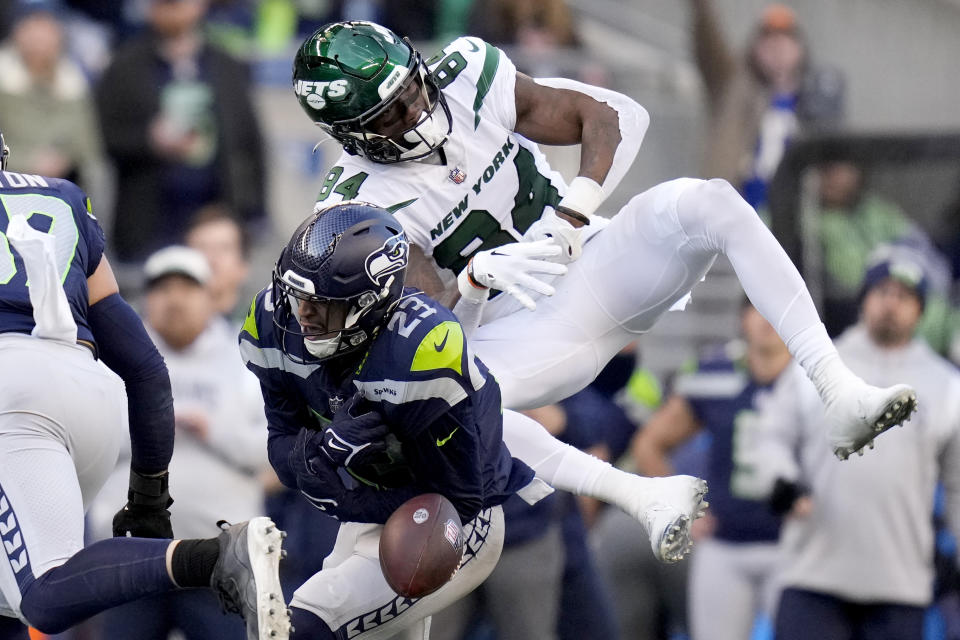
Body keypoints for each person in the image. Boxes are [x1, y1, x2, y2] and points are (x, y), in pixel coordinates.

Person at [289, 20, 915, 555]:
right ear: (351, 135)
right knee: (447, 398)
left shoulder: (466, 72)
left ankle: (839, 390)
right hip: (523, 329)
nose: (418, 112)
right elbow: (428, 332)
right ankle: (642, 494)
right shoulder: (359, 204)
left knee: (711, 204)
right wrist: (477, 281)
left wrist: (576, 208)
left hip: (595, 258)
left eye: (413, 90)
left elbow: (613, 116)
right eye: (392, 114)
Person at [0, 130, 288, 640]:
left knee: (41, 597)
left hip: (15, 400)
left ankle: (215, 557)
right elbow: (147, 371)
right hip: (88, 390)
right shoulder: (60, 197)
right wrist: (150, 500)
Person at [239, 201, 543, 638]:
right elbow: (282, 444)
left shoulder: (421, 350)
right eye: (296, 294)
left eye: (319, 303)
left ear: (367, 305)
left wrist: (336, 483)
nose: (301, 313)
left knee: (295, 627)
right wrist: (322, 455)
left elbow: (460, 496)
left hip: (446, 522)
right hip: (367, 511)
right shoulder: (273, 321)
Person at [742, 249, 960, 640]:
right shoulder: (820, 364)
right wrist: (782, 481)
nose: (891, 304)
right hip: (812, 575)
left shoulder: (946, 386)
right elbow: (771, 436)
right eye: (883, 291)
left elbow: (958, 483)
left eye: (904, 295)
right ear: (864, 298)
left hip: (900, 584)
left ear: (921, 310)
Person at [87, 245, 273, 639]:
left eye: (187, 288)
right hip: (129, 561)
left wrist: (214, 431)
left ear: (211, 297)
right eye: (162, 288)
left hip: (219, 564)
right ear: (145, 299)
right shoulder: (109, 360)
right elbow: (84, 442)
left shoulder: (246, 358)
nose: (174, 299)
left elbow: (273, 450)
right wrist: (154, 428)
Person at [631, 302, 789, 640]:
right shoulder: (716, 372)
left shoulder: (815, 376)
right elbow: (648, 445)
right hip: (724, 545)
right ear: (742, 317)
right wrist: (684, 510)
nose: (768, 319)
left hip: (796, 547)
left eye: (776, 307)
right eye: (759, 307)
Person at [95, 0, 265, 261]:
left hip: (216, 214)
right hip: (148, 222)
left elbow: (250, 140)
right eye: (164, 4)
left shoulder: (224, 64)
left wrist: (254, 209)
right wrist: (149, 141)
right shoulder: (125, 66)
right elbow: (103, 137)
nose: (172, 9)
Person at [690, 1, 845, 210]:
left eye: (786, 40)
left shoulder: (816, 102)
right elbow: (707, 45)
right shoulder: (732, 89)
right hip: (734, 214)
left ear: (800, 49)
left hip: (794, 221)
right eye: (768, 41)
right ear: (754, 49)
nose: (777, 48)